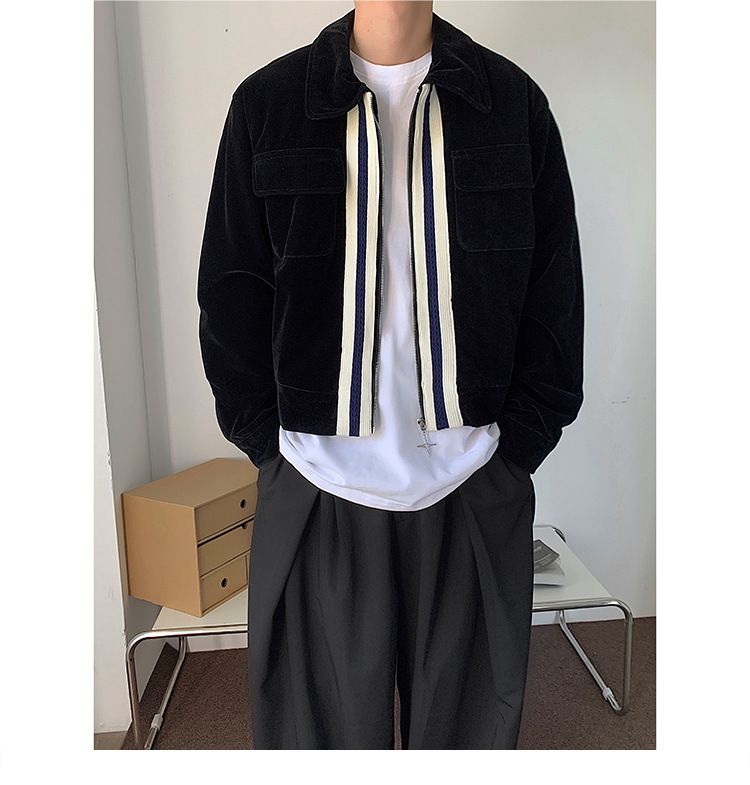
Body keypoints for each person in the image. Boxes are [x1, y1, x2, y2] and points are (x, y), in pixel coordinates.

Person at [197, 1, 584, 749]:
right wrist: (269, 446)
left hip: (472, 480)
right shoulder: (268, 106)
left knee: (469, 742)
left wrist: (516, 451)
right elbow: (231, 291)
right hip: (317, 482)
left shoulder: (512, 104)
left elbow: (555, 294)